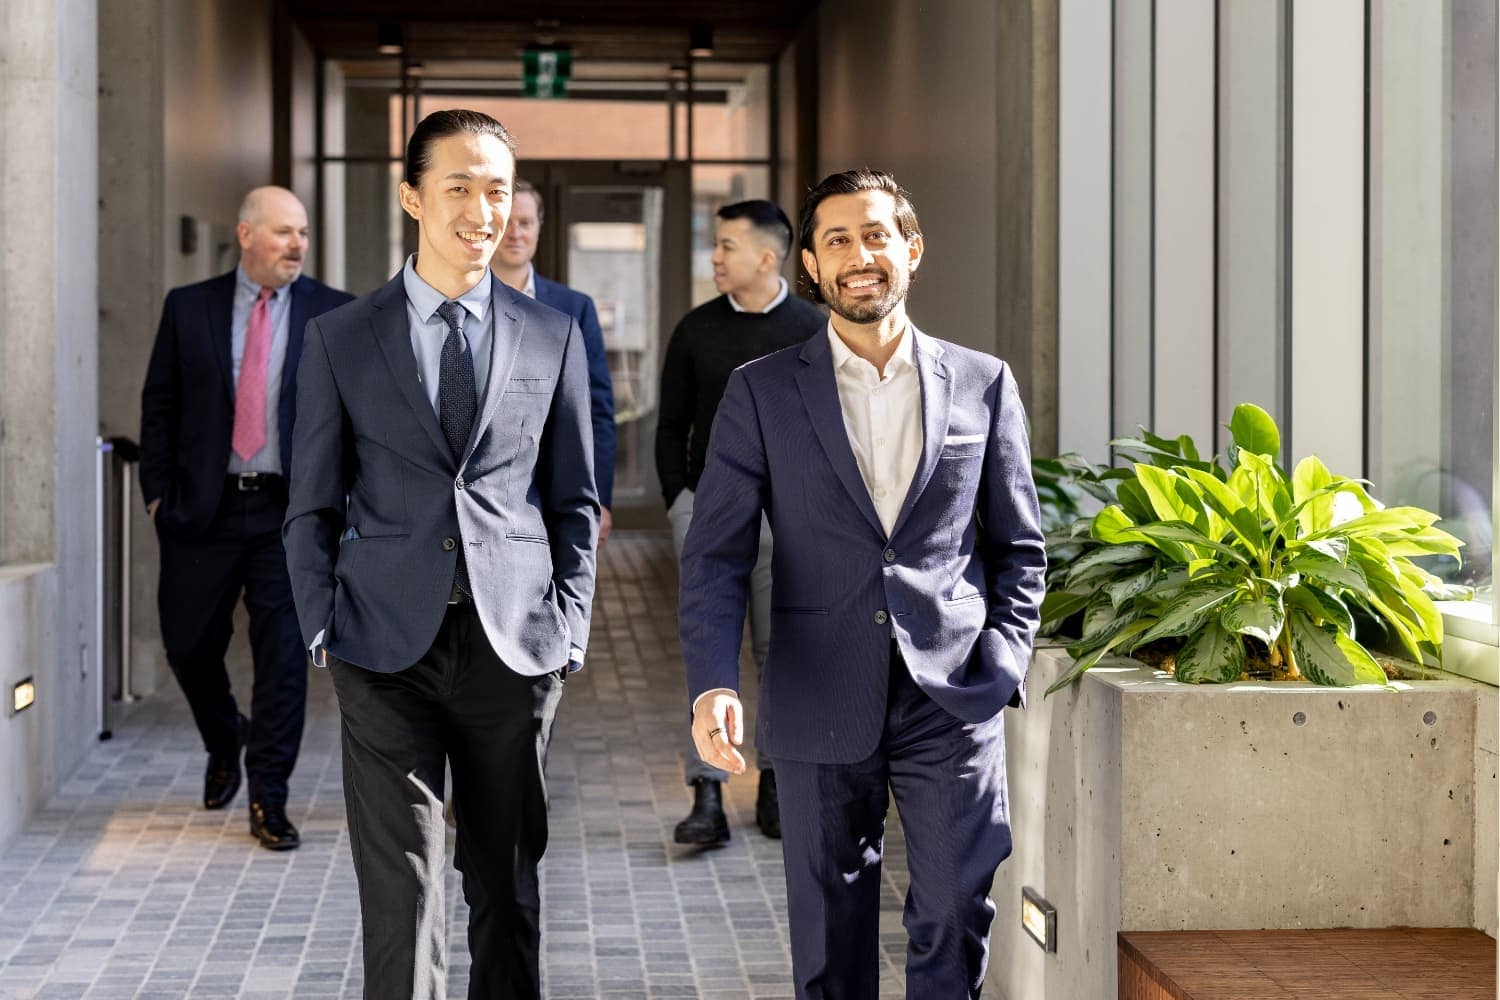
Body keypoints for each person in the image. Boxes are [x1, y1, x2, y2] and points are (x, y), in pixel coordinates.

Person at [679, 169, 1046, 997]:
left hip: (951, 696)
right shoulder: (761, 392)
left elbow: (1021, 546)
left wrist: (1003, 660)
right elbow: (715, 556)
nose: (859, 256)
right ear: (809, 264)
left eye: (876, 235)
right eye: (837, 240)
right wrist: (711, 685)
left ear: (911, 249)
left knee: (954, 916)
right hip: (816, 689)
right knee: (830, 941)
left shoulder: (983, 384)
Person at [283, 109, 597, 1000]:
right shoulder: (342, 338)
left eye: (496, 189)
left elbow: (574, 499)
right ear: (412, 196)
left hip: (514, 650)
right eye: (459, 185)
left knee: (505, 888)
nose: (481, 208)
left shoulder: (553, 333)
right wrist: (322, 629)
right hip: (381, 652)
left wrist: (568, 626)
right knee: (401, 897)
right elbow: (309, 505)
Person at [139, 185, 352, 851]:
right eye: (284, 232)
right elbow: (159, 405)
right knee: (188, 644)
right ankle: (224, 735)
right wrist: (156, 493)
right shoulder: (189, 307)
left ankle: (269, 795)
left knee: (283, 659)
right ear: (247, 235)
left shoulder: (333, 313)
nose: (297, 245)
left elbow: (353, 420)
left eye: (304, 233)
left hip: (288, 514)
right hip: (202, 509)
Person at [655, 199, 824, 845]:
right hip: (708, 513)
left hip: (790, 519)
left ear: (766, 254)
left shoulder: (812, 327)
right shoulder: (696, 329)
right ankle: (707, 793)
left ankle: (775, 784)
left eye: (726, 245)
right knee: (709, 649)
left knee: (778, 651)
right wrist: (680, 501)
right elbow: (671, 426)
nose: (715, 257)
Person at [491, 178, 616, 540]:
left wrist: (600, 498)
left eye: (526, 223)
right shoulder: (461, 305)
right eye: (507, 222)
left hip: (557, 490)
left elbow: (597, 410)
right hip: (484, 495)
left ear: (539, 228)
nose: (515, 233)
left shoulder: (574, 308)